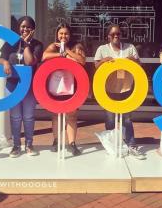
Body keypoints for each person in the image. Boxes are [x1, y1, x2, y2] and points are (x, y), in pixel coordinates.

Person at [94, 24, 145, 160]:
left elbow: (139, 64)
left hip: (126, 88)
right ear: (108, 36)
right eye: (113, 34)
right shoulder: (102, 49)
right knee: (110, 120)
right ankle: (113, 146)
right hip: (109, 90)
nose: (116, 36)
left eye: (118, 34)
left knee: (127, 120)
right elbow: (96, 67)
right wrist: (103, 61)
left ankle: (132, 145)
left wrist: (131, 60)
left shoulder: (129, 48)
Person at [0, 16, 43, 157]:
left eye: (28, 27)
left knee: (29, 117)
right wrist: (5, 63)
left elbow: (30, 62)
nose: (25, 29)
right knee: (15, 117)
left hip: (29, 86)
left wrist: (26, 44)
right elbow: (0, 58)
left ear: (33, 29)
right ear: (19, 27)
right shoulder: (11, 42)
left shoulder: (37, 45)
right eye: (23, 26)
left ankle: (29, 145)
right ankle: (16, 146)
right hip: (12, 85)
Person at [42, 23, 86, 156]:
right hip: (55, 86)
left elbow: (82, 61)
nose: (63, 36)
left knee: (71, 116)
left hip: (72, 86)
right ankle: (56, 141)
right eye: (61, 33)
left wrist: (66, 50)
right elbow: (44, 56)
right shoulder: (52, 46)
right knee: (55, 115)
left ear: (70, 35)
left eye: (66, 33)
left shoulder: (76, 46)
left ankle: (72, 143)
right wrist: (59, 55)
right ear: (57, 34)